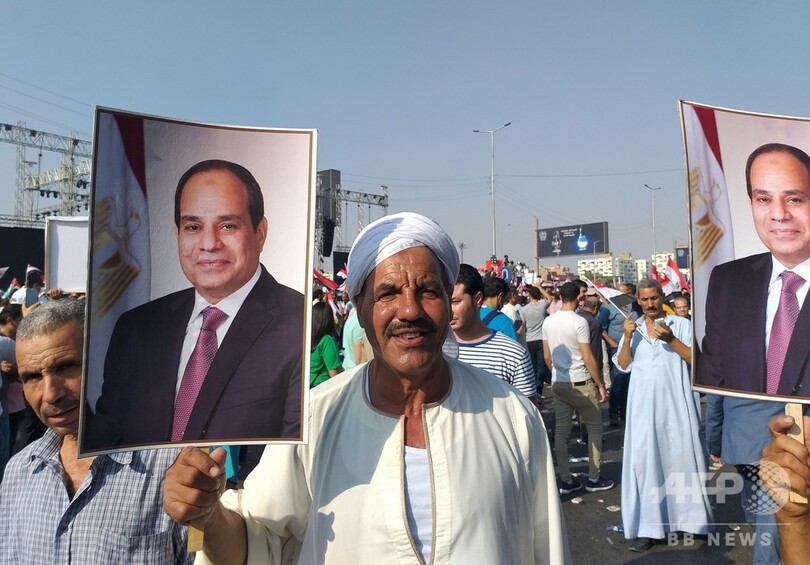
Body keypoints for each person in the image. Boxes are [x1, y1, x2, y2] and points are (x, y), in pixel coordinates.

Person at [162, 212, 570, 564]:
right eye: (387, 293)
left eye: (428, 291)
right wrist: (208, 515)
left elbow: (547, 550)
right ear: (359, 308)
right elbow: (255, 543)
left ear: (449, 302)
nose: (409, 310)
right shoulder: (315, 417)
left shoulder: (511, 416)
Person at [85, 159, 304, 450]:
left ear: (260, 232)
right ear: (177, 234)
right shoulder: (135, 328)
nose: (209, 243)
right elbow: (106, 444)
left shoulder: (300, 325)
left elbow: (295, 461)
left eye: (227, 225)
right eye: (193, 226)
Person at [0, 300, 190, 563]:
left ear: (106, 361)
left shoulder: (172, 468)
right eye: (32, 377)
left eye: (65, 367)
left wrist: (216, 520)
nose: (50, 394)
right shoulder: (19, 472)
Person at [699, 143, 810, 395]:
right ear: (751, 204)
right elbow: (716, 387)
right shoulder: (727, 282)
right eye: (763, 199)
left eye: (794, 199)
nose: (779, 214)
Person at [614, 278, 711, 552]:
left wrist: (671, 340)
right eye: (644, 299)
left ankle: (693, 523)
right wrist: (628, 337)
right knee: (647, 464)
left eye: (654, 298)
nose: (649, 304)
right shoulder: (632, 328)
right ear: (638, 301)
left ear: (662, 298)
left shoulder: (680, 324)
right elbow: (623, 365)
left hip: (677, 405)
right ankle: (650, 528)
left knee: (683, 459)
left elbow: (695, 359)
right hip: (643, 410)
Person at [543, 282, 613, 495]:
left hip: (559, 383)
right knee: (594, 429)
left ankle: (566, 479)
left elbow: (547, 357)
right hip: (581, 382)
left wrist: (557, 373)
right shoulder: (579, 321)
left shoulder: (549, 321)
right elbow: (588, 357)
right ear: (578, 298)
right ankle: (594, 477)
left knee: (562, 432)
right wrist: (600, 385)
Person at [450, 263, 536, 400]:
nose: (448, 310)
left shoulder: (514, 355)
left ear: (477, 299)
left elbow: (528, 409)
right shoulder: (433, 351)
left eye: (455, 302)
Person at [310, 301, 343, 388]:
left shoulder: (307, 338)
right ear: (329, 319)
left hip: (308, 387)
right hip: (322, 388)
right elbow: (334, 374)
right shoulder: (327, 340)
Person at [479, 277, 520, 341]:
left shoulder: (471, 315)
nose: (504, 303)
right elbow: (513, 345)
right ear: (500, 296)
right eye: (504, 299)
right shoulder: (504, 321)